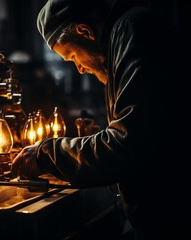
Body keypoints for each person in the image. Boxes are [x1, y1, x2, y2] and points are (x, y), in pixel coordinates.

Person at [11, 0, 189, 239]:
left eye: (73, 56)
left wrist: (47, 154)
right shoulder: (125, 35)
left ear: (84, 31)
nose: (80, 69)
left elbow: (125, 145)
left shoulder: (131, 30)